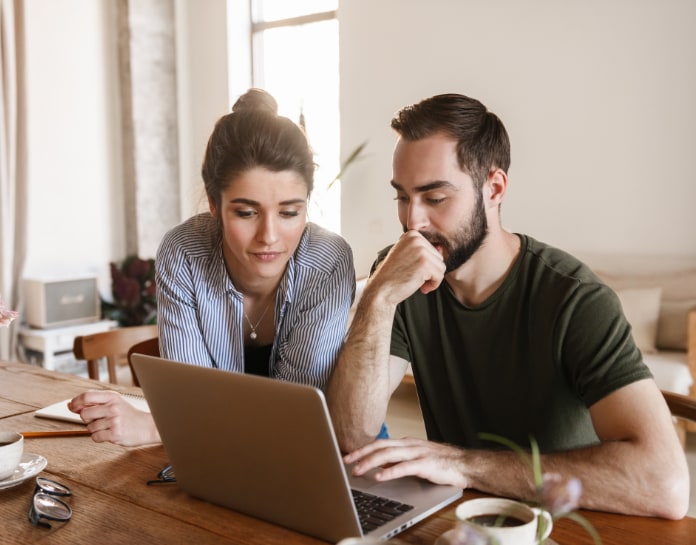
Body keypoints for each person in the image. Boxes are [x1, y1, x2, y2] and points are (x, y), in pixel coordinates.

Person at [326, 93, 690, 519]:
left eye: (435, 198)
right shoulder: (400, 277)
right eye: (402, 198)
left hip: (566, 524)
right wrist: (379, 296)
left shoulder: (575, 298)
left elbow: (665, 483)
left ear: (494, 188)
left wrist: (462, 463)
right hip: (464, 522)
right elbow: (350, 434)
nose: (413, 222)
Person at [69, 88, 356, 446]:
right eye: (246, 212)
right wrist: (184, 420)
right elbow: (193, 398)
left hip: (321, 449)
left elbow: (293, 418)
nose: (269, 236)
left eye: (289, 212)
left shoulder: (328, 262)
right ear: (214, 204)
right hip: (220, 452)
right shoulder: (185, 253)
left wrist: (158, 428)